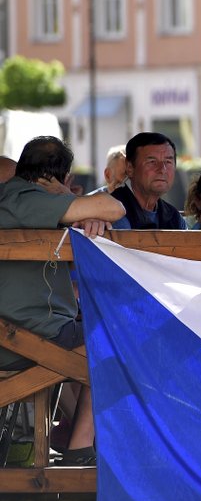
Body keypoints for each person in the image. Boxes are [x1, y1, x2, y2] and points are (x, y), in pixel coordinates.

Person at [0, 136, 126, 466]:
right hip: (26, 338)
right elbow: (115, 208)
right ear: (62, 177)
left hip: (20, 331)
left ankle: (79, 438)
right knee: (119, 336)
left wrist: (77, 214)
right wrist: (73, 202)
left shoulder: (14, 198)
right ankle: (81, 447)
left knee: (103, 331)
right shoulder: (25, 198)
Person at [110, 132, 187, 230]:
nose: (162, 169)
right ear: (130, 168)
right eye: (152, 162)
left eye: (168, 162)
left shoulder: (174, 218)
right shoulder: (112, 212)